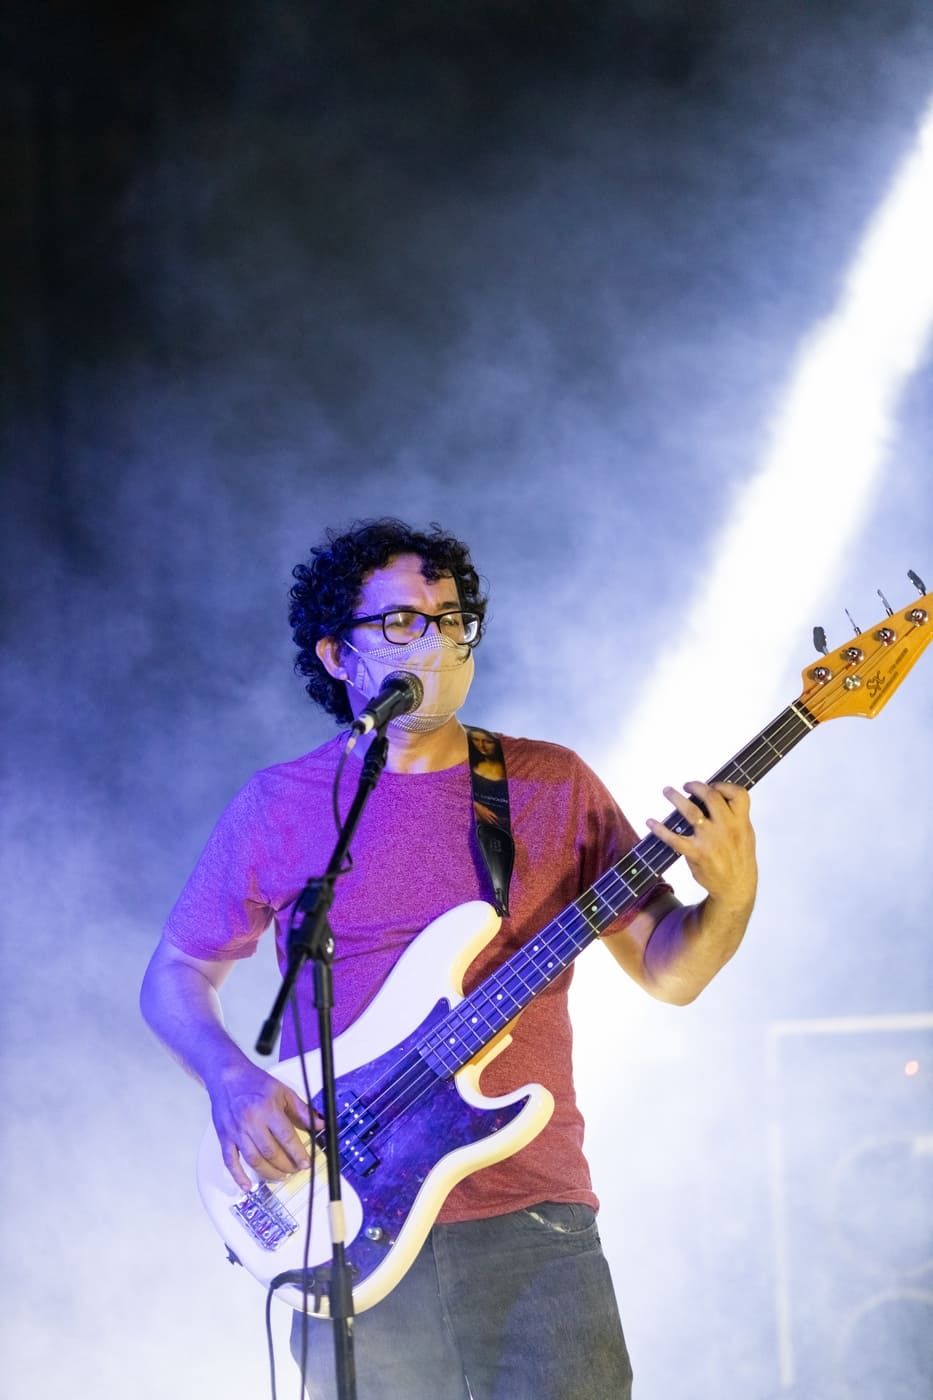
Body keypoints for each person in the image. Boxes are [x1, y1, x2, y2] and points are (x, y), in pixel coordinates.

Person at [140, 518, 758, 1400]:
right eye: (400, 622)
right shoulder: (281, 804)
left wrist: (730, 894)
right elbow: (174, 975)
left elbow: (670, 971)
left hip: (532, 1223)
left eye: (450, 617)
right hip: (340, 1222)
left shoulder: (551, 785)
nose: (434, 641)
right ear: (334, 654)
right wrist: (231, 1081)